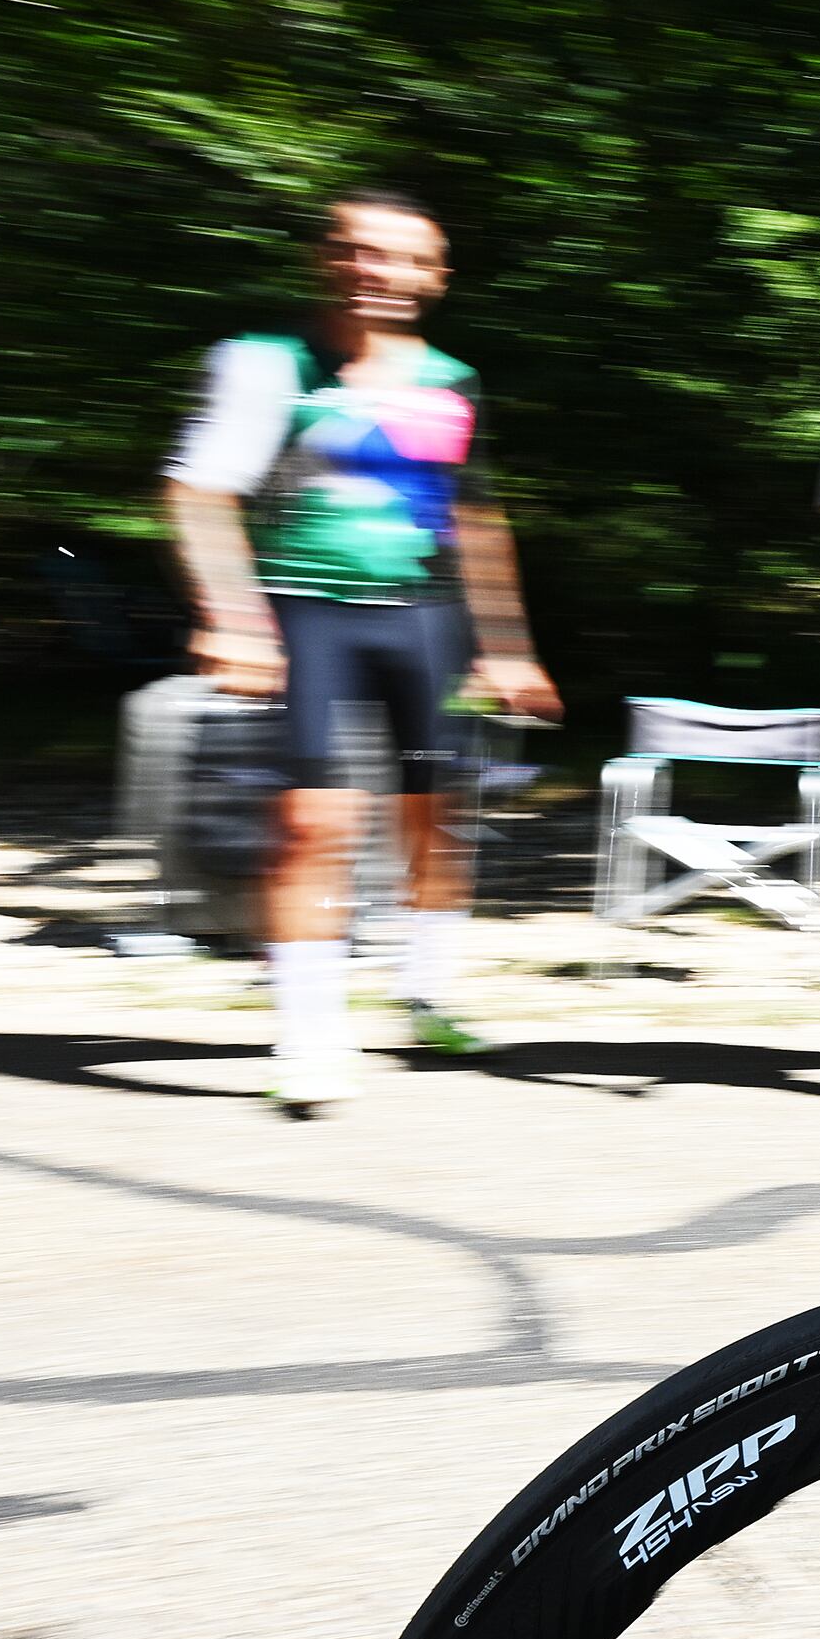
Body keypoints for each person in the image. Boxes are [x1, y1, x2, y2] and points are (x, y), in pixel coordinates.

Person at [164, 192, 558, 1109]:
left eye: (401, 257)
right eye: (357, 251)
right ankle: (308, 1036)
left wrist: (507, 646)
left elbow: (474, 517)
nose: (377, 271)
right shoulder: (267, 365)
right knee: (311, 824)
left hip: (425, 623)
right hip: (309, 617)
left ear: (434, 276)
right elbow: (197, 493)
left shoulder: (454, 380)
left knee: (432, 821)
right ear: (327, 260)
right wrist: (230, 616)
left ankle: (425, 996)